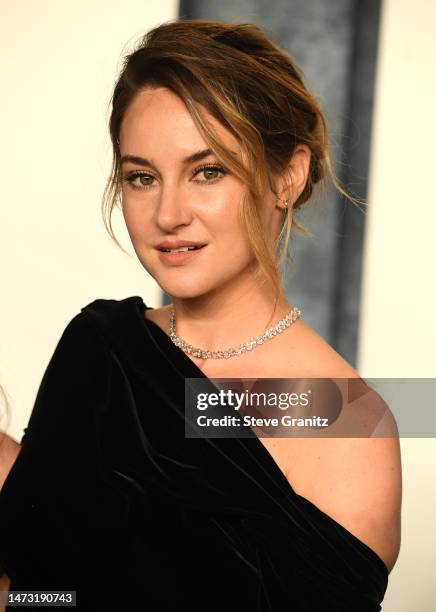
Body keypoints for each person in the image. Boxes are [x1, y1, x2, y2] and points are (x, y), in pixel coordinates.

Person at [0, 18, 401, 611]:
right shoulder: (103, 346)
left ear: (287, 176)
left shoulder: (346, 416)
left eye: (207, 171)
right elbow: (50, 592)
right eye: (142, 178)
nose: (168, 214)